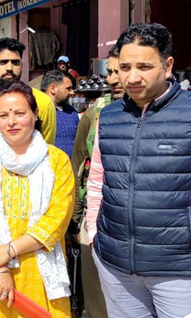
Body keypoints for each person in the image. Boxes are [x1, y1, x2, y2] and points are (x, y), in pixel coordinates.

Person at [87, 23, 191, 317]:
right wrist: (95, 232)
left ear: (167, 65)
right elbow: (98, 181)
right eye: (124, 67)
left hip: (182, 272)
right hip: (116, 266)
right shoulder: (108, 116)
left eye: (144, 66)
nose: (132, 77)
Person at [0, 80, 74, 318]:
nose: (11, 121)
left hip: (38, 271)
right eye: (3, 115)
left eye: (20, 113)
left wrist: (10, 250)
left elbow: (57, 218)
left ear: (35, 114)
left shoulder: (57, 161)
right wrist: (0, 265)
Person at [68, 47, 123, 318]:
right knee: (97, 302)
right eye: (110, 72)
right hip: (94, 222)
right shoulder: (93, 114)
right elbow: (79, 167)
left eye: (120, 70)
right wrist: (76, 221)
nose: (114, 79)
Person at [0, 38, 56, 144]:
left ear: (22, 66)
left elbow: (46, 149)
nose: (9, 68)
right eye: (3, 62)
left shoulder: (43, 102)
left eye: (15, 62)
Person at [40, 70, 78, 159]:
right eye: (68, 88)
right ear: (53, 89)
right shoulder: (37, 111)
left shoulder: (71, 111)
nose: (72, 92)